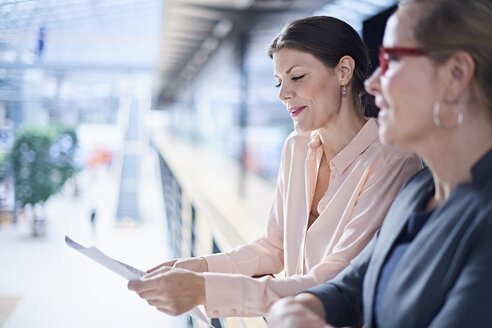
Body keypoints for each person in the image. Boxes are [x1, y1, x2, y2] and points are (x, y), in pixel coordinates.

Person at [127, 16, 422, 318]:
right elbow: (274, 248)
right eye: (279, 82)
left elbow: (335, 282)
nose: (283, 94)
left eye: (297, 77)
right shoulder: (295, 148)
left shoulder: (392, 163)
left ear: (344, 71)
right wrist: (201, 266)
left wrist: (204, 289)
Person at [267, 0, 492, 327]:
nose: (372, 84)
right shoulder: (416, 192)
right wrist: (307, 305)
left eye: (393, 62)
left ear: (455, 74)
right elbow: (352, 287)